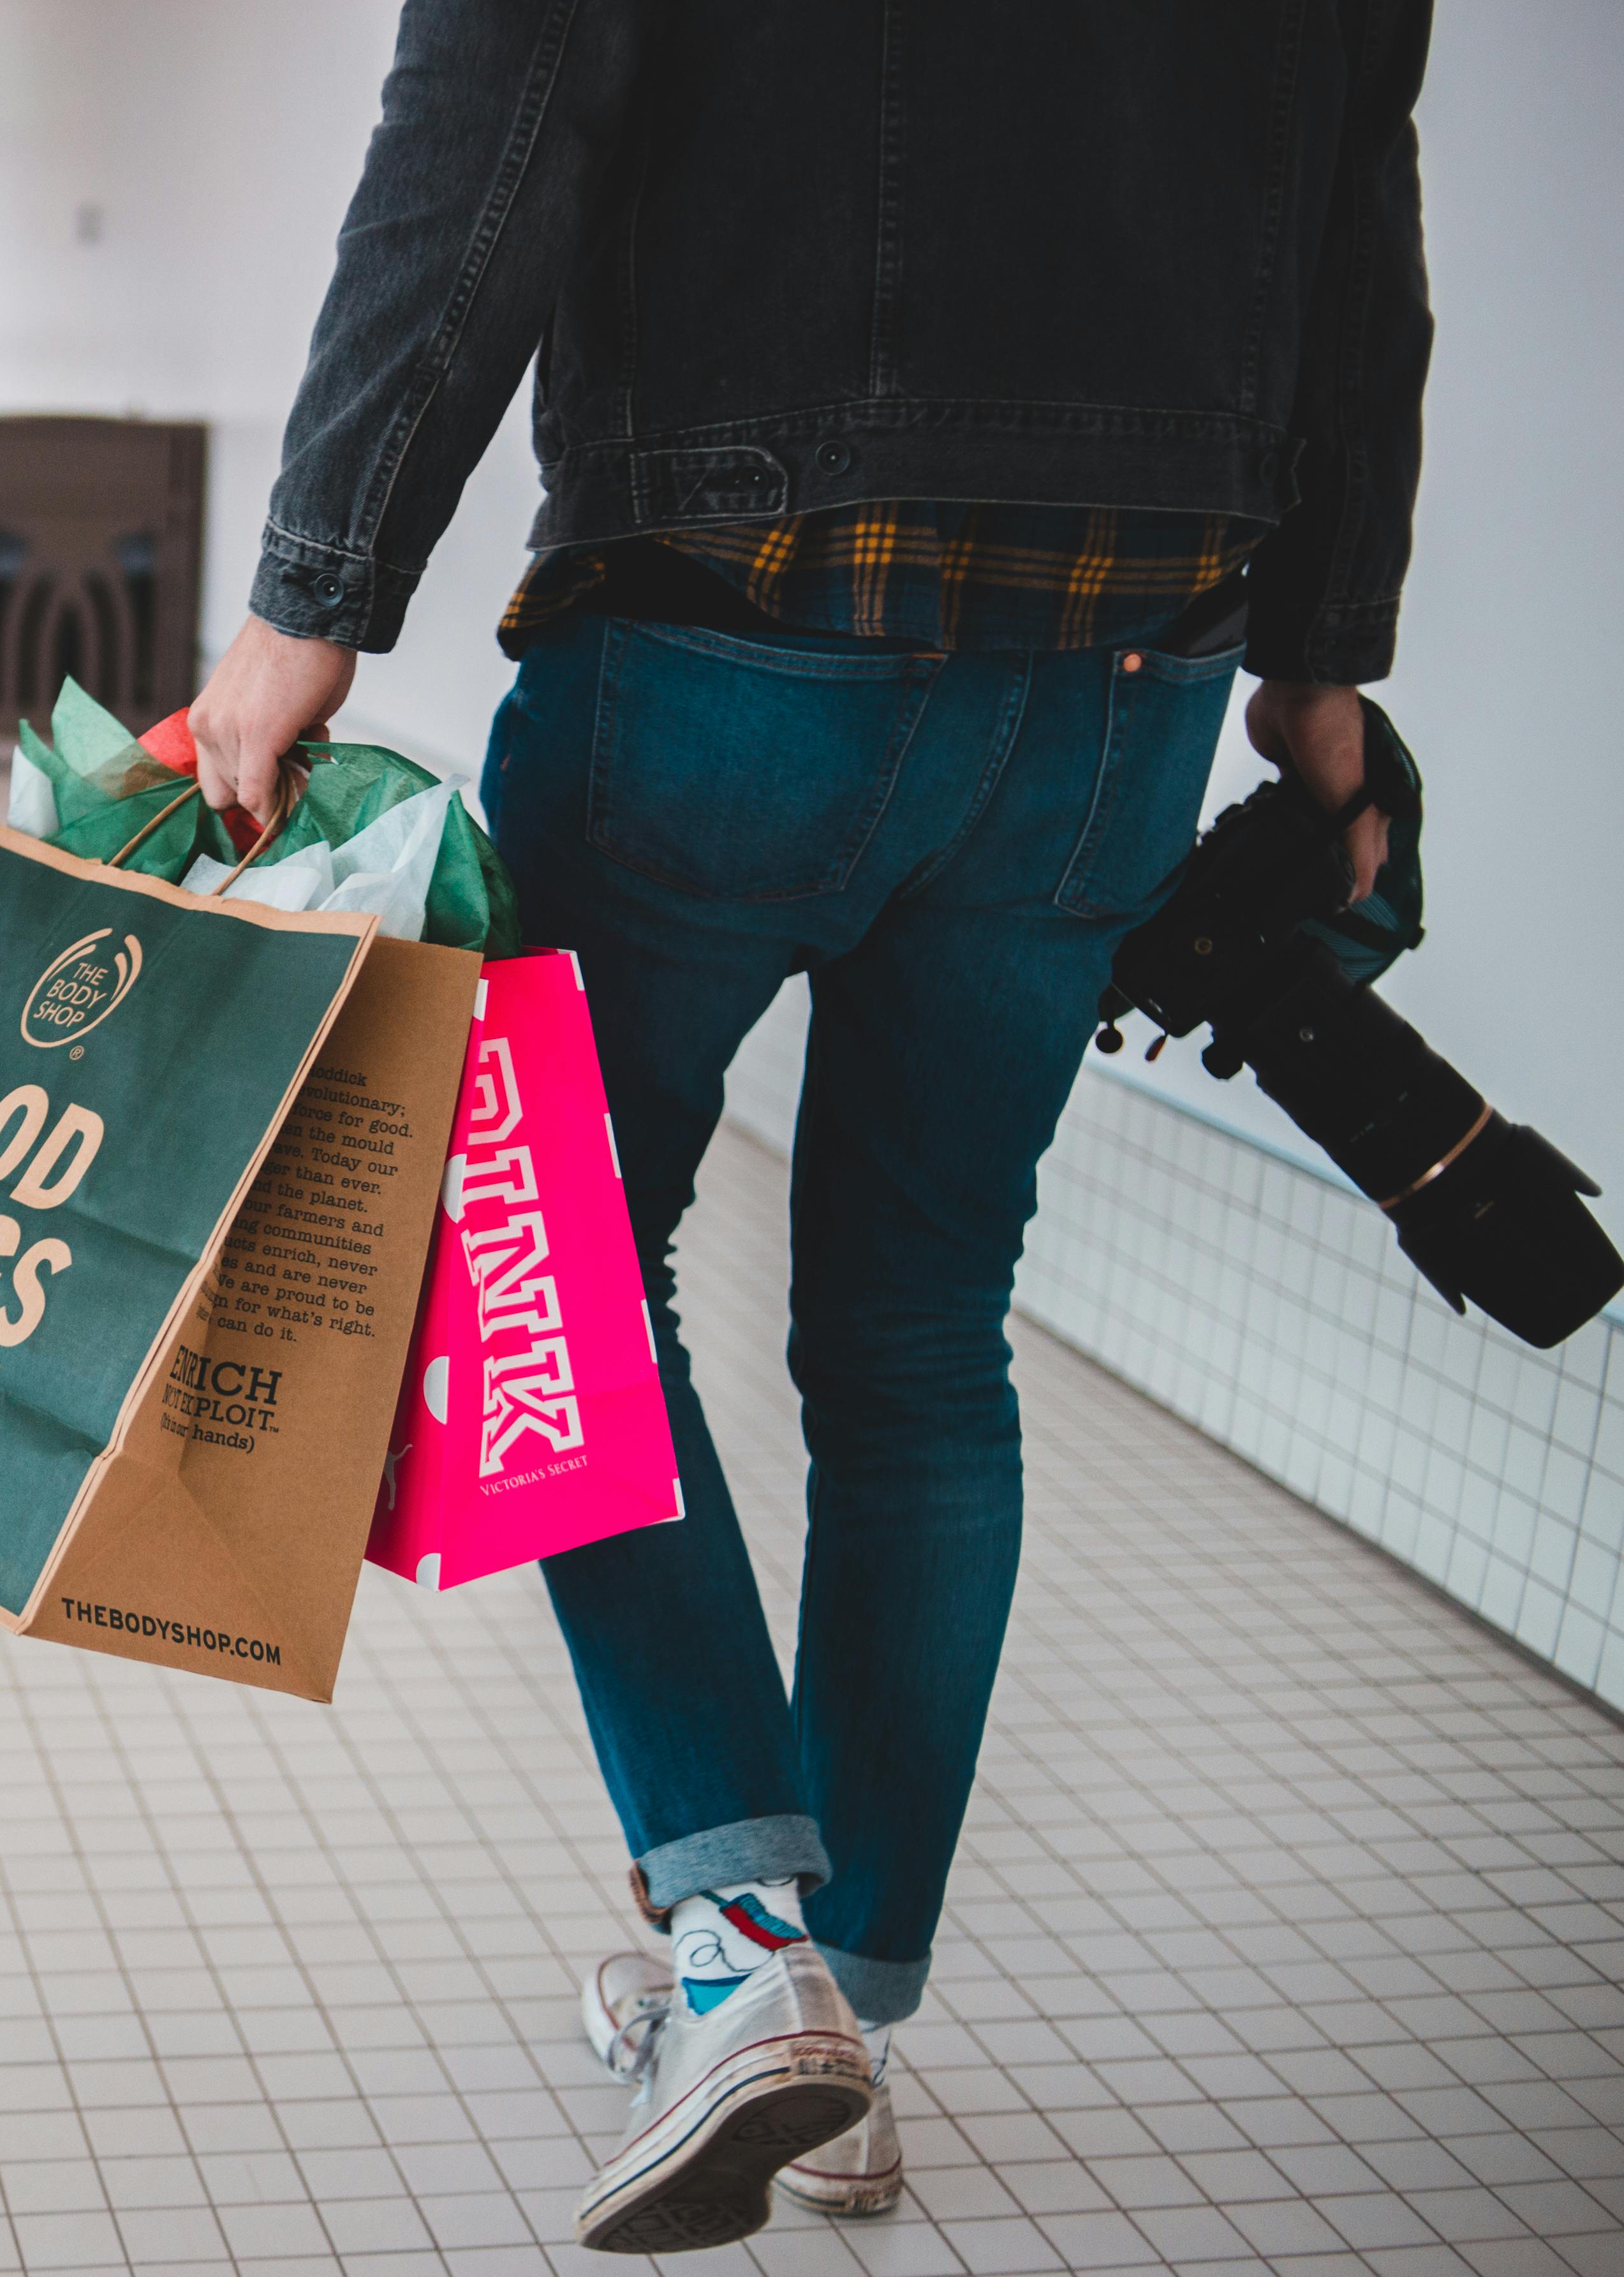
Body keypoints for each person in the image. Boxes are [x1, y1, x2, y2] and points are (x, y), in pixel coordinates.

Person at [190, 2, 1432, 2253]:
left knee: (555, 1252)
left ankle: (741, 1953)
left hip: (719, 637)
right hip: (1122, 672)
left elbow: (489, 117)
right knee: (919, 1337)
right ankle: (850, 2026)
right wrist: (1321, 678)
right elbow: (1359, 212)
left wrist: (313, 592)